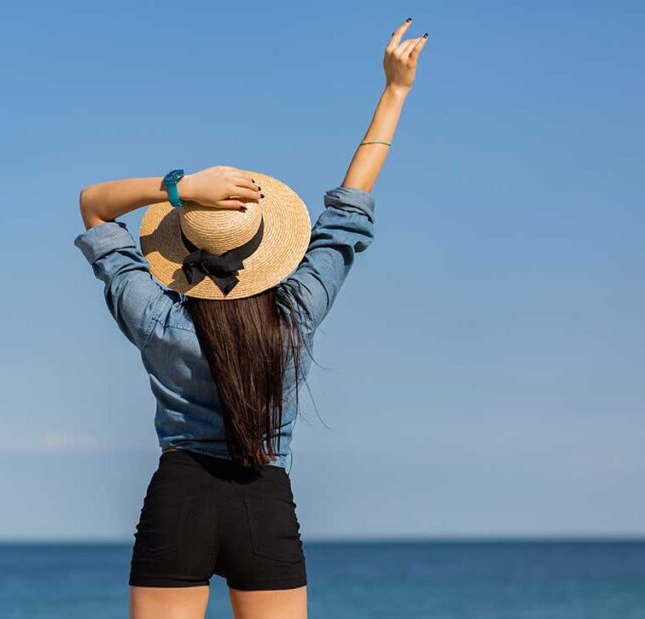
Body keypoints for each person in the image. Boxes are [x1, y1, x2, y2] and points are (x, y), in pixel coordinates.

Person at [73, 18, 427, 619]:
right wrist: (395, 91)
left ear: (181, 250)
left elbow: (93, 207)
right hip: (264, 500)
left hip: (178, 499)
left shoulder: (158, 318)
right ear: (269, 248)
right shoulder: (297, 310)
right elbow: (348, 211)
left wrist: (179, 188)